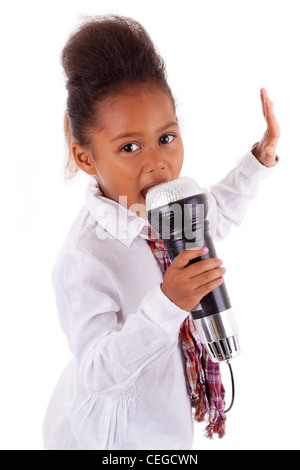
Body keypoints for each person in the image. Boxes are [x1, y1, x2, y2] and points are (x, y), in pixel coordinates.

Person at [43, 15, 280, 450]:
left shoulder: (166, 207)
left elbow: (217, 214)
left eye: (166, 138)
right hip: (111, 437)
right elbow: (96, 372)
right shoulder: (85, 256)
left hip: (164, 419)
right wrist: (168, 303)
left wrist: (258, 161)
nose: (156, 162)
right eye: (129, 147)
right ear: (86, 157)